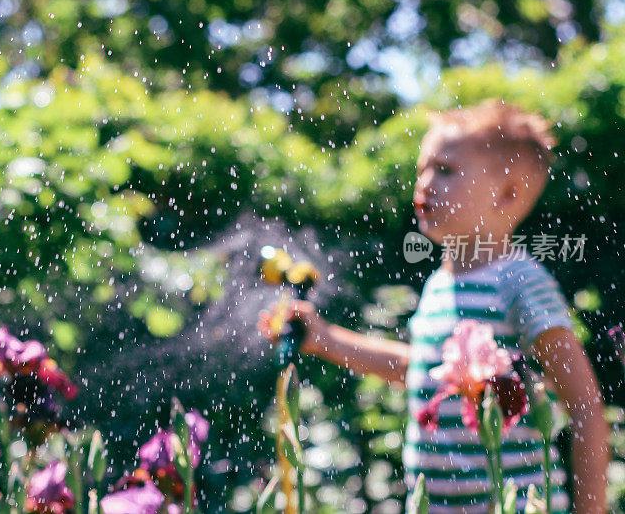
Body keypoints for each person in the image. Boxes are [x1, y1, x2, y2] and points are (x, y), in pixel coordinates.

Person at [257, 100, 610, 513]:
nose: (424, 182)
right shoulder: (439, 285)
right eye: (423, 168)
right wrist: (326, 340)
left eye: (445, 170)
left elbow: (585, 409)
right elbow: (421, 371)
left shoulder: (521, 283)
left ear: (506, 195)